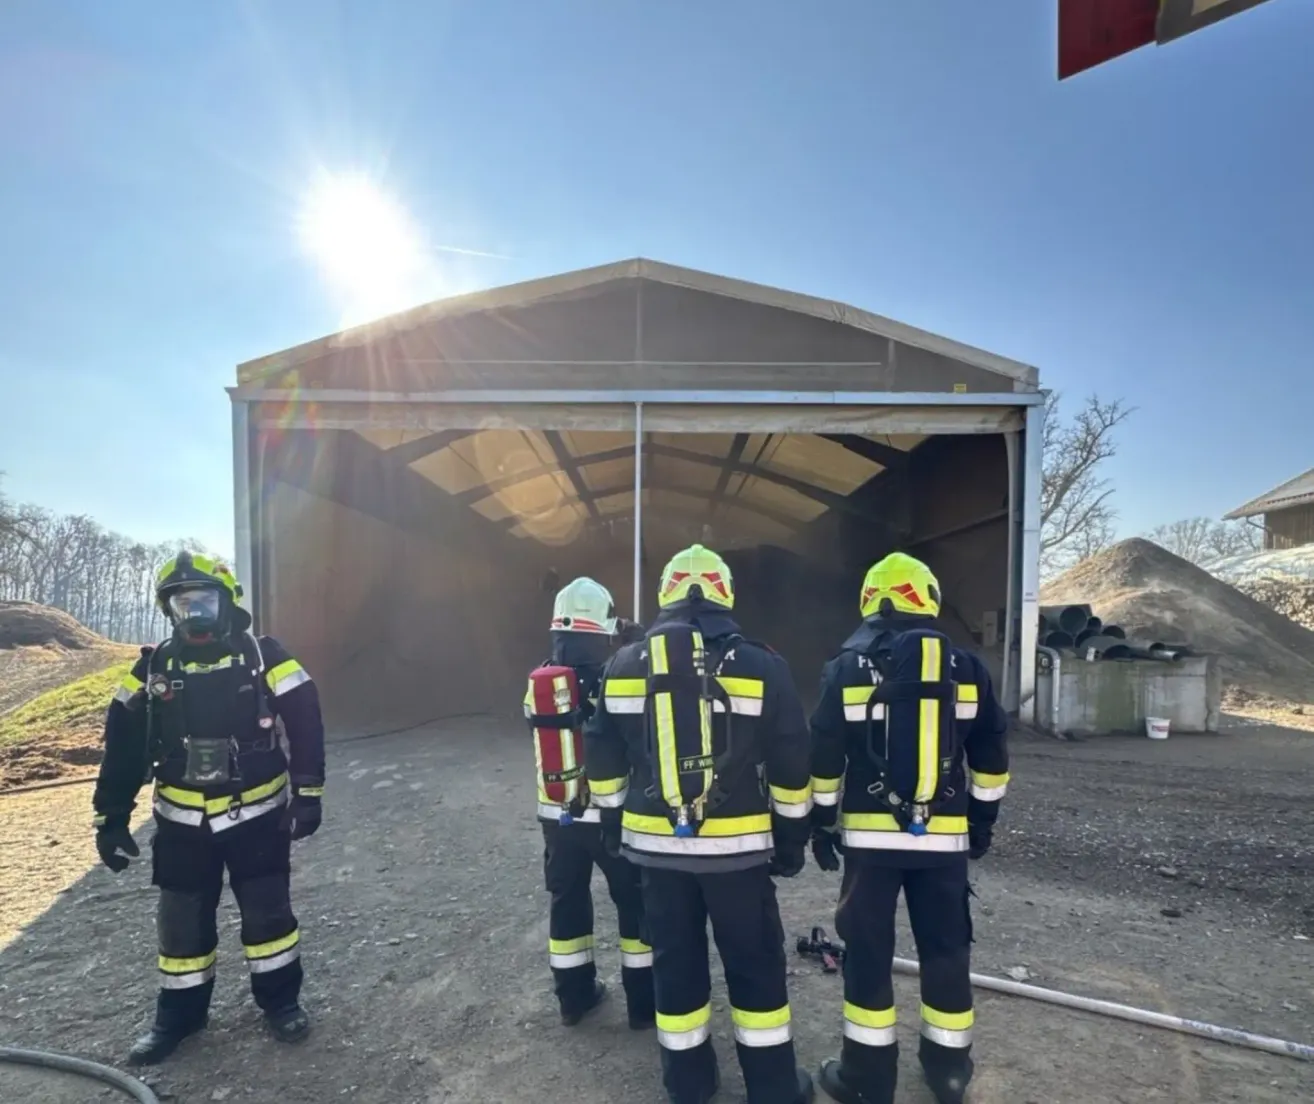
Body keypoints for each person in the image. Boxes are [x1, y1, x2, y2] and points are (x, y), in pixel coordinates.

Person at [585, 544, 815, 1104]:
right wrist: (791, 842)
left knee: (676, 968)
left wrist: (613, 829)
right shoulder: (763, 665)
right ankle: (773, 1089)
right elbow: (792, 764)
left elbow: (603, 759)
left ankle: (688, 1084)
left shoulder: (623, 665)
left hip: (656, 853)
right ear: (724, 594)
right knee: (755, 965)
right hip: (739, 856)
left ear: (665, 594)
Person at [92, 551, 326, 1066]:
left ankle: (281, 1003)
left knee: (268, 914)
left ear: (227, 603)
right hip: (181, 823)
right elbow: (122, 743)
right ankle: (179, 1017)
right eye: (182, 603)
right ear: (168, 610)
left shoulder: (264, 656)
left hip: (257, 816)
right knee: (180, 924)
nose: (193, 613)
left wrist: (308, 792)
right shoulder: (152, 667)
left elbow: (307, 719)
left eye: (203, 601)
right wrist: (110, 815)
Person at [807, 552, 1009, 1104]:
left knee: (867, 955)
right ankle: (949, 1072)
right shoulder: (968, 669)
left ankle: (866, 1080)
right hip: (944, 842)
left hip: (869, 846)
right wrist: (981, 824)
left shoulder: (845, 669)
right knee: (946, 952)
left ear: (869, 601)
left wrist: (821, 825)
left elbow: (823, 760)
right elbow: (991, 759)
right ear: (930, 600)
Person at [525, 576, 655, 1029]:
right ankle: (643, 1006)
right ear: (604, 628)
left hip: (558, 816)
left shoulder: (541, 682)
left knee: (568, 903)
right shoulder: (617, 676)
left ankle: (573, 999)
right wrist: (638, 645)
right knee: (634, 904)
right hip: (611, 813)